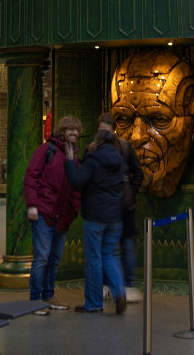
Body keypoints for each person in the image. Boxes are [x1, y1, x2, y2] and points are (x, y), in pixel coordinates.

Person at [65, 121, 127, 314]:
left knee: (94, 259)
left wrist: (70, 161)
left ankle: (93, 304)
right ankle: (119, 292)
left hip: (95, 216)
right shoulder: (118, 159)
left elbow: (77, 182)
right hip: (115, 216)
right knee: (111, 255)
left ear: (97, 141)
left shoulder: (93, 158)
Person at [23, 115, 81, 304]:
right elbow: (31, 177)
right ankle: (35, 298)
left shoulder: (73, 156)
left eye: (77, 130)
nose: (75, 133)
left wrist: (74, 208)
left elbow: (74, 185)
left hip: (62, 216)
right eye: (71, 129)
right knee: (42, 257)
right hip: (44, 212)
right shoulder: (46, 150)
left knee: (55, 258)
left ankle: (48, 295)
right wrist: (32, 205)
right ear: (62, 131)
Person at [105, 113, 144, 301]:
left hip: (122, 206)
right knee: (111, 247)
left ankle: (126, 284)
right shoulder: (97, 148)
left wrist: (130, 193)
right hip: (109, 205)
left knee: (124, 247)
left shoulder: (125, 147)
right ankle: (113, 284)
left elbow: (138, 174)